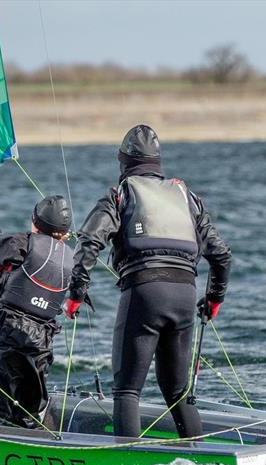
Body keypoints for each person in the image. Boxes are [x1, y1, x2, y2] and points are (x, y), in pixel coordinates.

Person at [65, 124, 232, 439]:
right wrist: (213, 300)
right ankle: (198, 460)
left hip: (144, 295)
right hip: (185, 296)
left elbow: (89, 243)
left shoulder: (120, 194)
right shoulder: (187, 196)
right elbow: (222, 256)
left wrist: (76, 294)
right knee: (177, 391)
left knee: (127, 390)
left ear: (124, 163)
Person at [0, 195, 74, 428]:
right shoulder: (71, 257)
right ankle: (29, 436)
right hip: (43, 337)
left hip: (9, 330)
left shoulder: (24, 241)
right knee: (29, 401)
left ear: (34, 221)